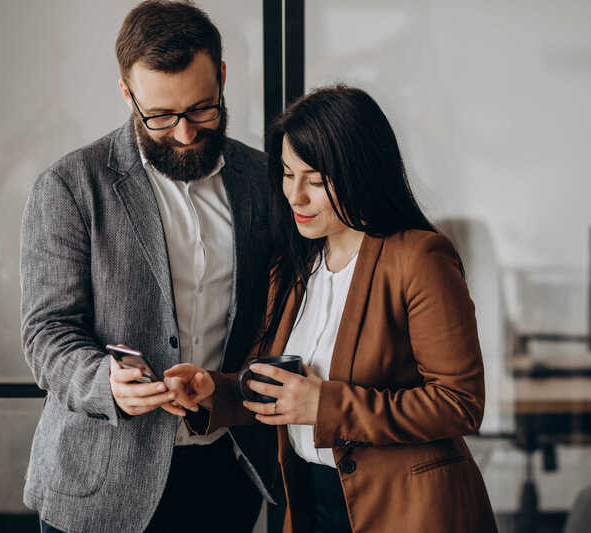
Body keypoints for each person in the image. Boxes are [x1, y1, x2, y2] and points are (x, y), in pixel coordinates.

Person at [168, 85, 499, 532]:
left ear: (360, 174)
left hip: (409, 510)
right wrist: (217, 392)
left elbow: (459, 403)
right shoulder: (294, 262)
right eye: (287, 174)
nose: (295, 196)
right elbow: (280, 391)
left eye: (316, 181)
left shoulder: (419, 259)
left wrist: (326, 405)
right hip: (310, 501)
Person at [20, 2, 279, 532]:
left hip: (224, 475)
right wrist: (105, 383)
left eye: (203, 109)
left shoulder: (264, 180)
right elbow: (46, 333)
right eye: (160, 117)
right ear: (127, 95)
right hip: (99, 483)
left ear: (223, 78)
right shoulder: (70, 186)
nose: (185, 134)